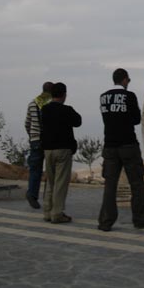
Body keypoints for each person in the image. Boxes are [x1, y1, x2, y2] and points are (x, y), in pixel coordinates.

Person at [97, 68, 144, 231]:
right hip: (128, 144)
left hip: (110, 146)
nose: (128, 83)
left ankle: (105, 221)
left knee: (110, 185)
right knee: (136, 183)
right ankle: (140, 218)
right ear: (124, 80)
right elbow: (136, 119)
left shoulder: (103, 97)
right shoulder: (129, 96)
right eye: (128, 80)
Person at [40, 82, 82, 223]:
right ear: (64, 94)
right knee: (60, 183)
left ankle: (47, 211)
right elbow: (78, 121)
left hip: (48, 150)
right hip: (63, 150)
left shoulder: (44, 109)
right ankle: (57, 213)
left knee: (50, 182)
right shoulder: (67, 110)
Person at [24, 81, 53, 209]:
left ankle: (32, 194)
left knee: (35, 169)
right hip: (47, 141)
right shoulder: (49, 104)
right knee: (51, 170)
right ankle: (49, 197)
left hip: (35, 140)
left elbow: (27, 123)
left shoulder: (32, 103)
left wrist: (32, 137)